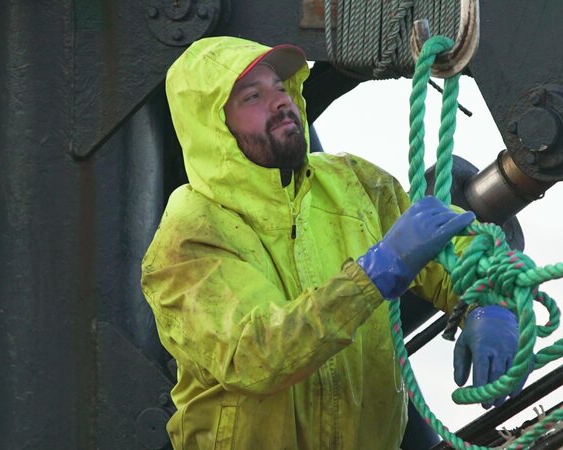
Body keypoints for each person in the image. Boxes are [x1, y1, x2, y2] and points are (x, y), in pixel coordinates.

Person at [140, 36, 522, 449]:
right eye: (252, 96)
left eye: (281, 88)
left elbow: (457, 255)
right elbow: (255, 355)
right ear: (212, 125)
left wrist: (491, 306)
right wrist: (376, 272)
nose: (280, 102)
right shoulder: (188, 237)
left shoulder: (355, 182)